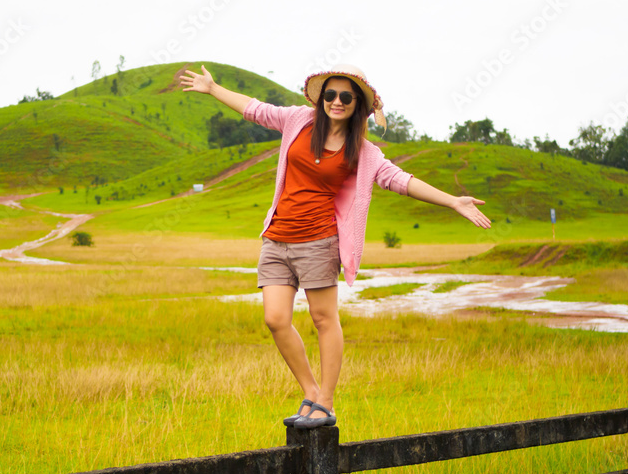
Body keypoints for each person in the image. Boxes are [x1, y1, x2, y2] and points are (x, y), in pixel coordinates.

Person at [180, 64, 491, 429]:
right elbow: (256, 109)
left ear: (357, 103)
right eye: (330, 94)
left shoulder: (363, 151)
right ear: (321, 99)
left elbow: (400, 180)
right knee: (275, 319)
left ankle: (325, 402)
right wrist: (213, 88)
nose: (336, 101)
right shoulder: (298, 121)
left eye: (345, 96)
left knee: (323, 319)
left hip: (319, 241)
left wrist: (452, 201)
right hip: (277, 238)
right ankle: (310, 391)